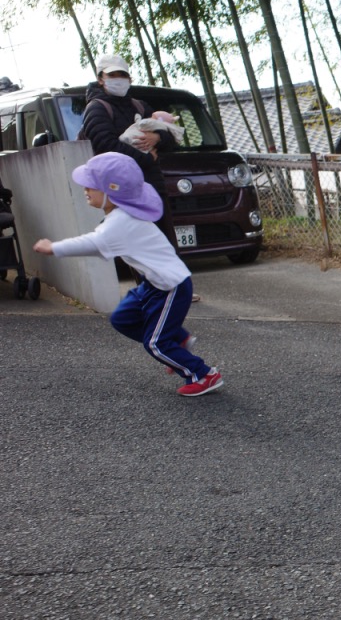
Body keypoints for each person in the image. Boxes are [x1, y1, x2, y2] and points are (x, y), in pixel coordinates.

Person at [31, 153, 223, 396]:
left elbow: (93, 243)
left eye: (91, 185)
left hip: (170, 286)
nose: (85, 189)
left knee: (155, 344)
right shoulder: (121, 215)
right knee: (122, 318)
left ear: (112, 191)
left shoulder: (120, 222)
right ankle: (176, 342)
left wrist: (54, 248)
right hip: (153, 284)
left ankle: (203, 374)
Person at [79, 54, 178, 246]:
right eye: (112, 75)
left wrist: (158, 137)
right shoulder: (96, 109)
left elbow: (171, 138)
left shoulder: (140, 106)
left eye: (122, 75)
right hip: (121, 193)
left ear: (129, 78)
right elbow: (105, 146)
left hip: (152, 188)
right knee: (135, 250)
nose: (118, 79)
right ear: (100, 79)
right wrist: (147, 158)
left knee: (165, 248)